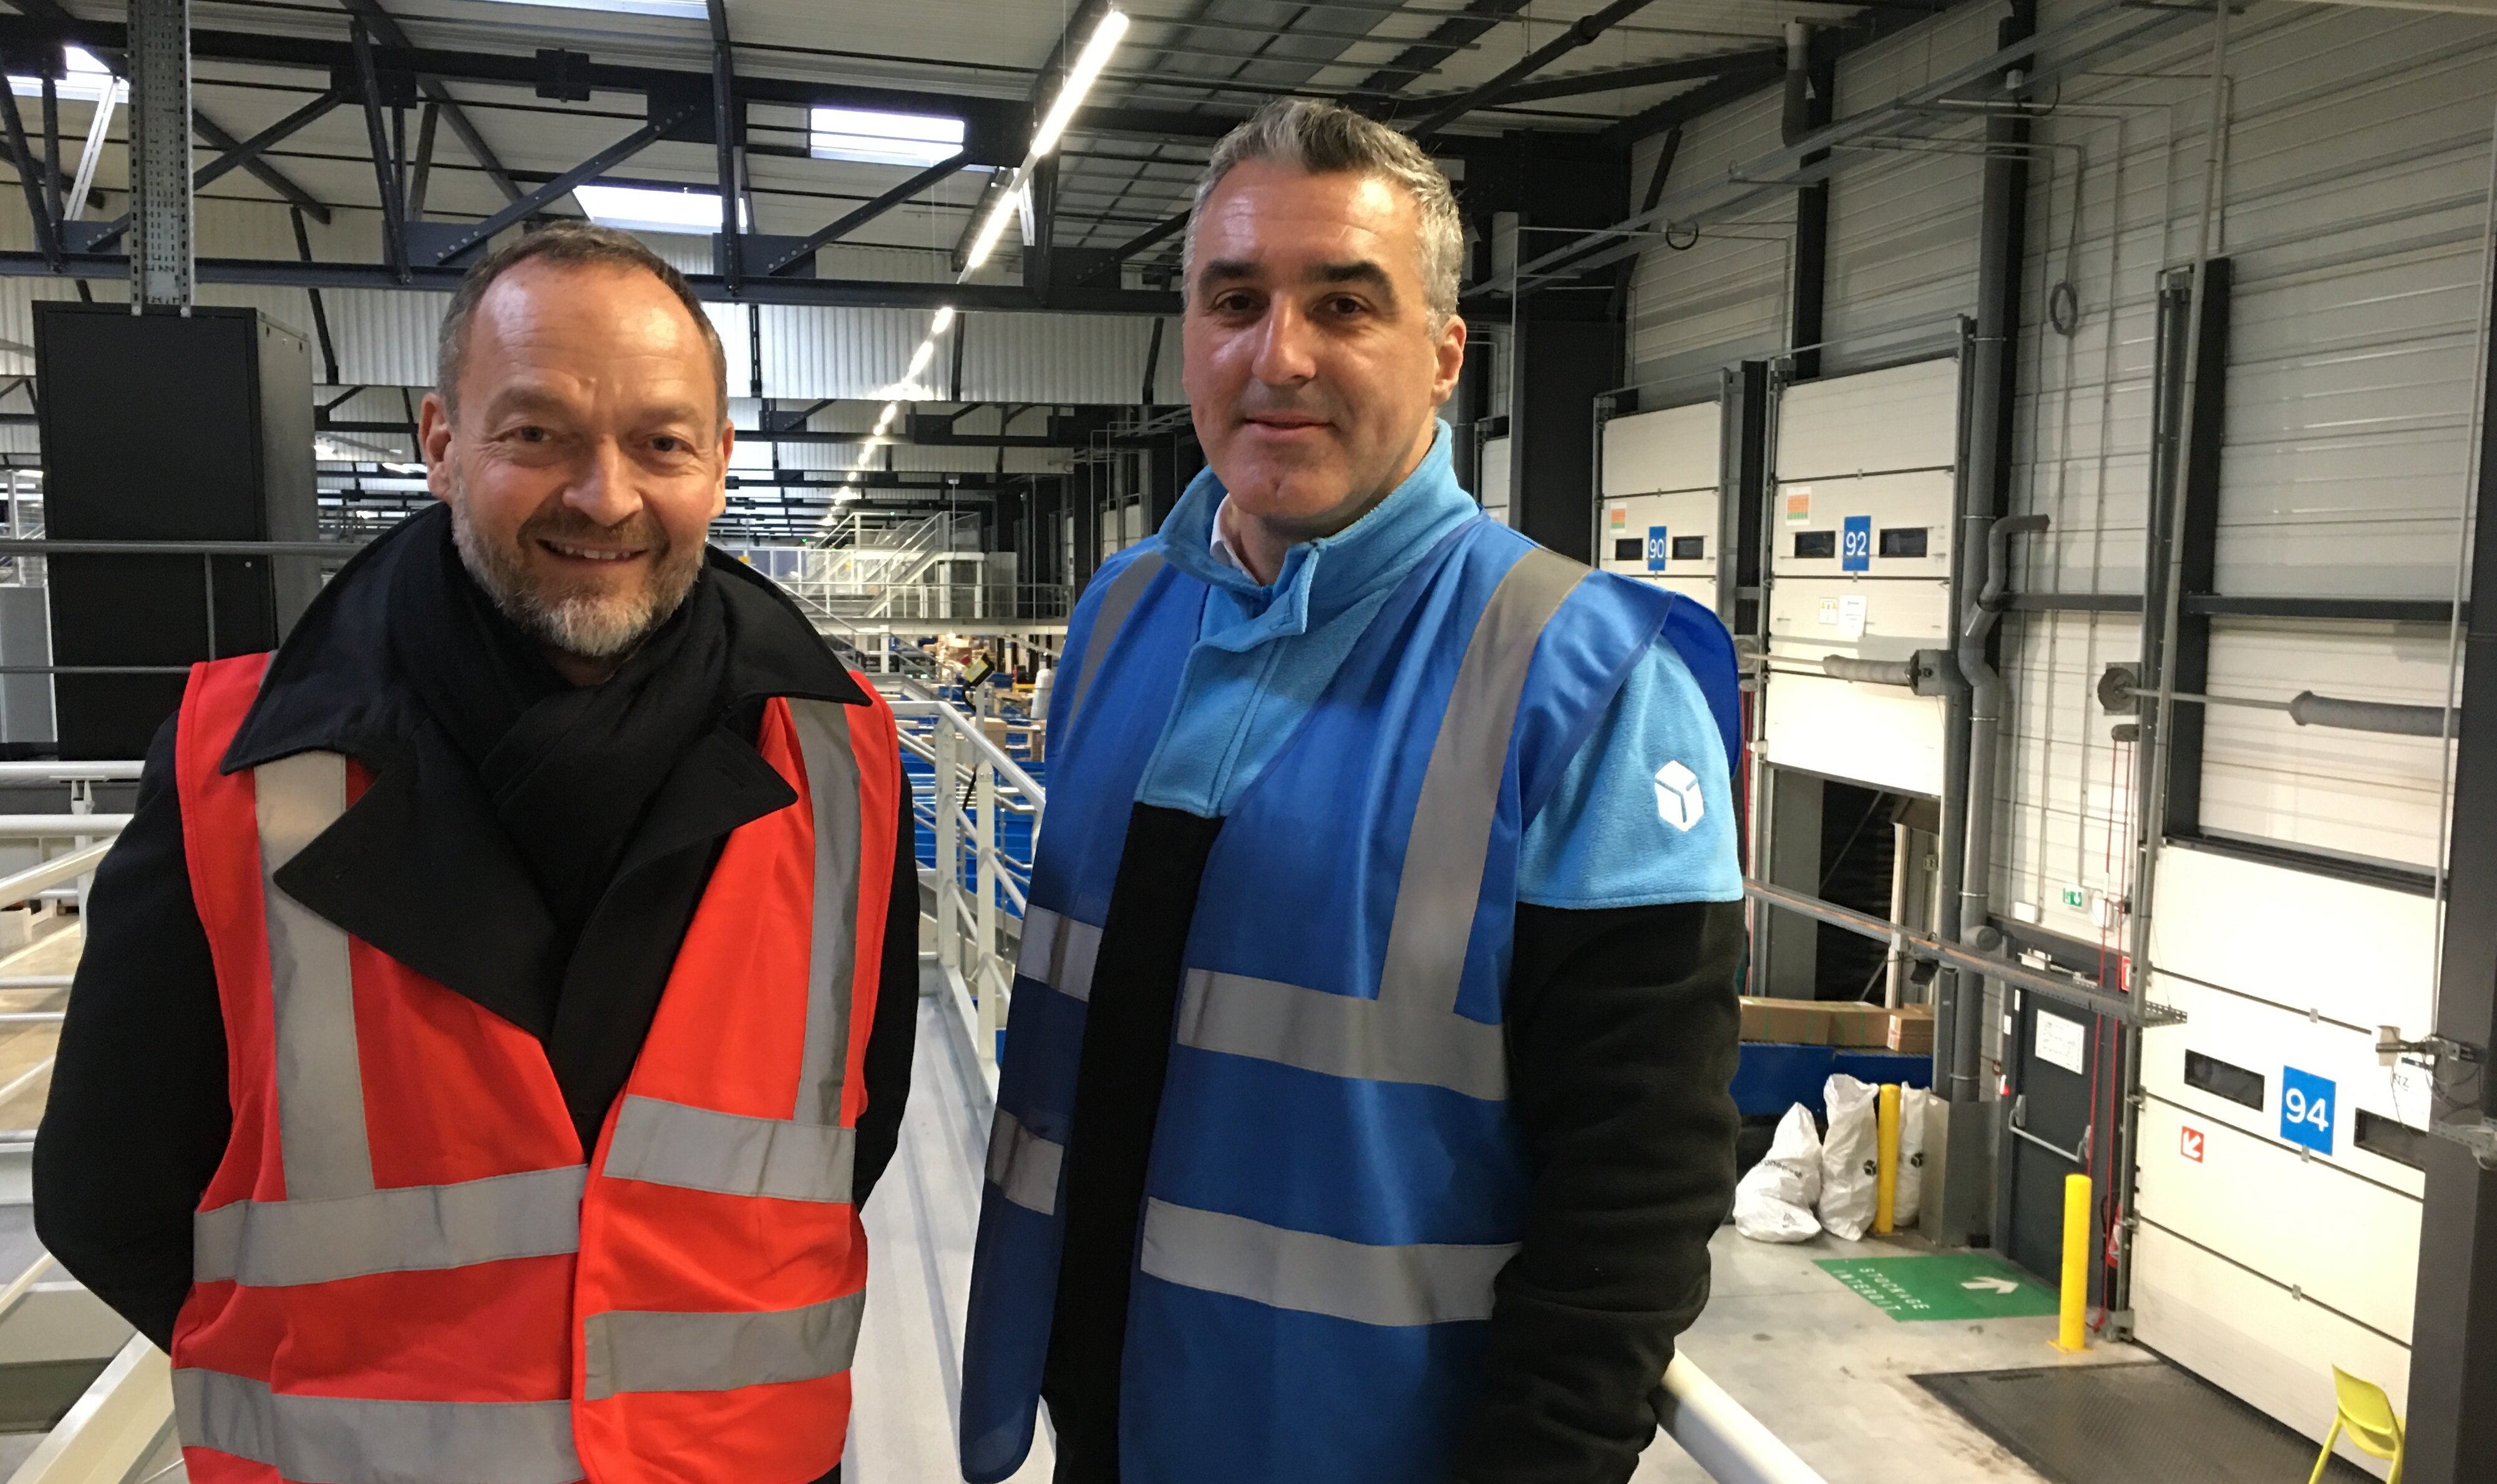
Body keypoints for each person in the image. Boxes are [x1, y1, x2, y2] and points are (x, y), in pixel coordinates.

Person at [34, 223, 915, 1484]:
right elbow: (102, 1189)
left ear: (719, 463)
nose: (603, 494)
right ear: (442, 444)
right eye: (537, 433)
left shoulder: (843, 758)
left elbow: (846, 1135)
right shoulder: (241, 765)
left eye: (660, 442)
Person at [958, 100, 1746, 1484]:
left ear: (1443, 354)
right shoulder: (1124, 615)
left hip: (1369, 1445)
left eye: (1345, 303)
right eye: (1235, 299)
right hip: (1107, 1421)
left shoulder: (1585, 678)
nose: (1281, 355)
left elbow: (1637, 1180)